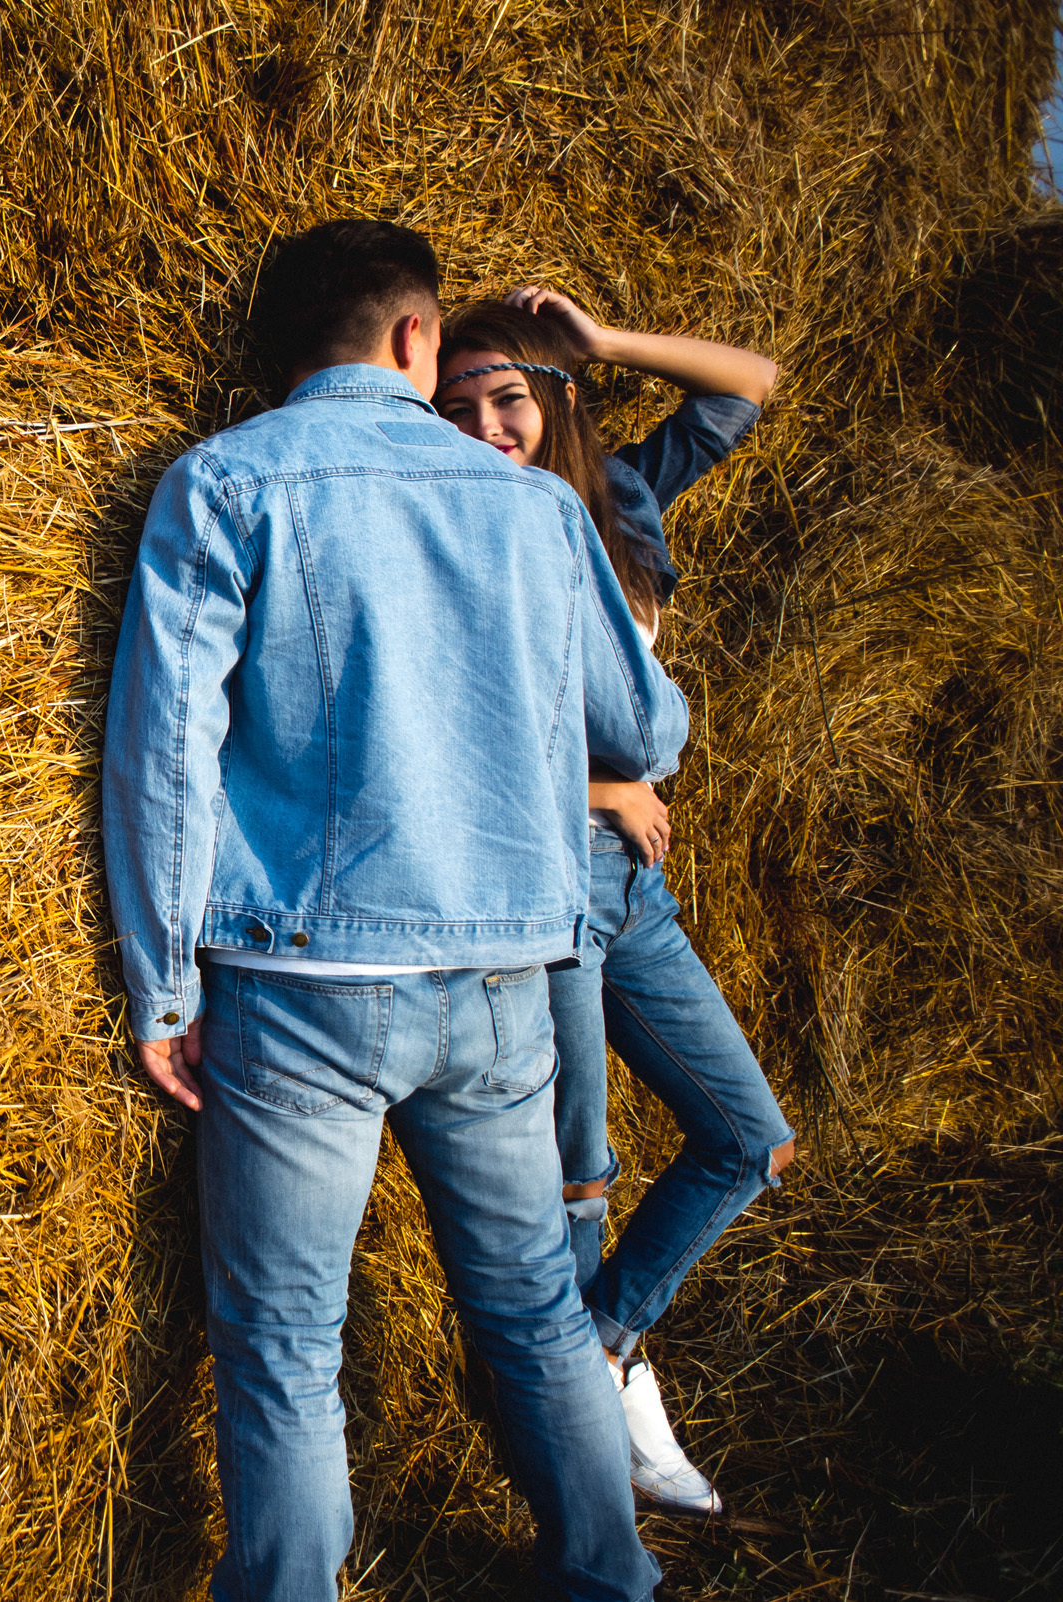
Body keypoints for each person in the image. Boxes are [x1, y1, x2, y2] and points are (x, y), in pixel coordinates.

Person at [103, 220, 686, 1602]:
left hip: (300, 984)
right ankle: (611, 1579)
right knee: (533, 1308)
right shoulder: (538, 509)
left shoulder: (223, 481)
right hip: (503, 984)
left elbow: (168, 754)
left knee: (284, 1341)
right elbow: (646, 729)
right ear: (418, 336)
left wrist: (163, 988)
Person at [434, 290, 797, 1517]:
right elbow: (437, 728)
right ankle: (579, 1497)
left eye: (509, 398)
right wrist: (604, 785)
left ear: (560, 398)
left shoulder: (622, 495)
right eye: (457, 409)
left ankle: (598, 1356)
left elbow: (748, 383)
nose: (487, 429)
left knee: (750, 1139)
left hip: (636, 887)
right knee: (575, 1180)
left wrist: (600, 342)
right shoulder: (453, 529)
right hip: (549, 872)